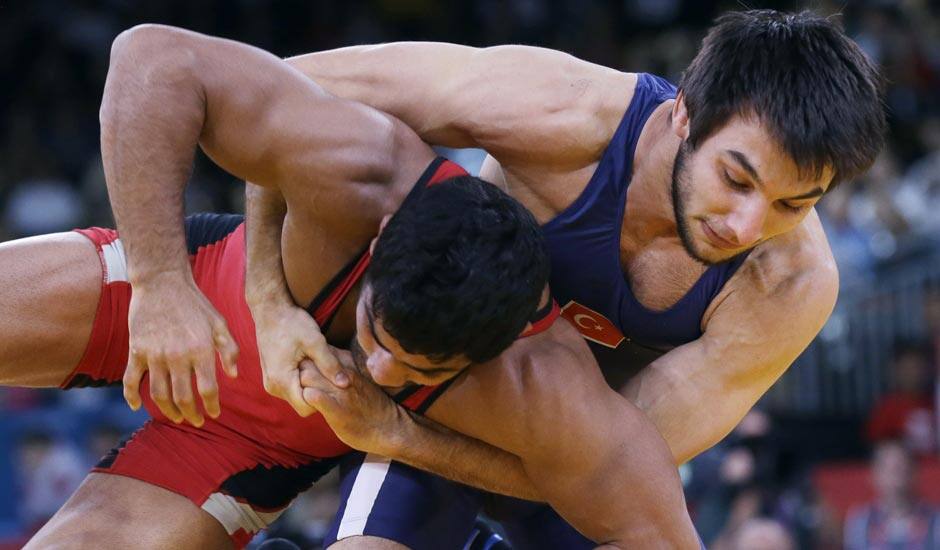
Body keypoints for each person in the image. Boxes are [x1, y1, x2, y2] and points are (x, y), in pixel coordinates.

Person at [207, 9, 884, 548]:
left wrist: (395, 436)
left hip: (578, 462)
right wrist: (267, 298)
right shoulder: (561, 113)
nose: (746, 225)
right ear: (685, 113)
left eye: (794, 204)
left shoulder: (788, 283)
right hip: (460, 390)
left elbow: (617, 466)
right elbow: (281, 89)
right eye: (736, 178)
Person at [1, 25, 698, 549]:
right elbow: (153, 58)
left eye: (418, 372)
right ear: (382, 236)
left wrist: (400, 432)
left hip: (246, 447)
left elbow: (642, 523)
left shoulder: (537, 378)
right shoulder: (367, 169)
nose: (379, 369)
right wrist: (163, 284)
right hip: (198, 281)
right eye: (376, 333)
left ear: (497, 348)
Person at [844, 441, 940, 550]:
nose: (895, 474)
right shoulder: (860, 521)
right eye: (888, 468)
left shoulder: (936, 521)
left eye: (901, 467)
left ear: (915, 473)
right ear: (873, 475)